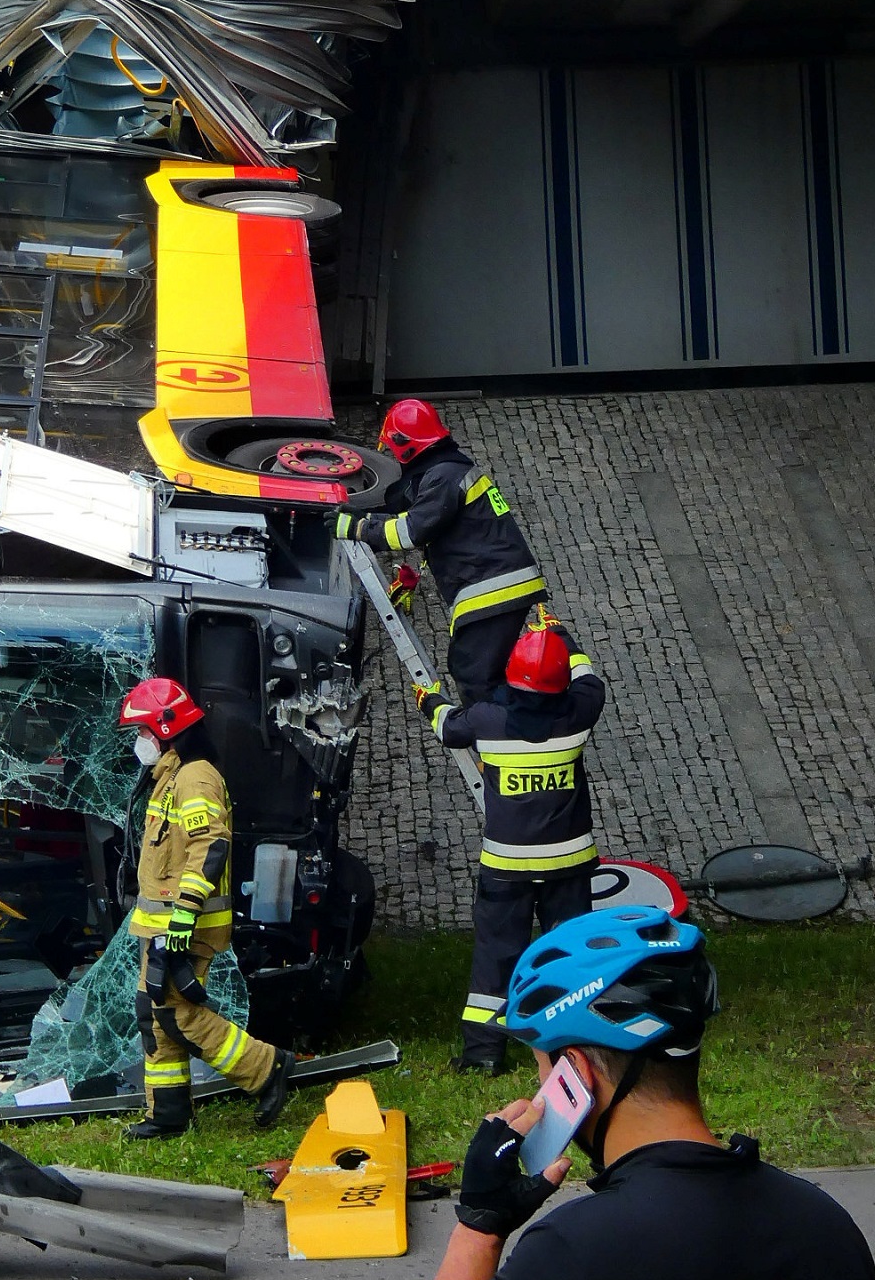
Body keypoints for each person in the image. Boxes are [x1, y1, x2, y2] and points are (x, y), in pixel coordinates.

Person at [403, 908, 875, 1280]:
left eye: (544, 1070)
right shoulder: (827, 1226)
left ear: (577, 1074)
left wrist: (479, 1230)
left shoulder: (578, 1252)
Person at [418, 607, 605, 1074]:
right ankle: (574, 1050)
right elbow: (589, 678)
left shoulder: (486, 721)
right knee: (569, 955)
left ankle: (483, 1055)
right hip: (569, 865)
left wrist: (428, 700)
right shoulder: (579, 715)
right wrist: (561, 634)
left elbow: (447, 728)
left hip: (507, 867)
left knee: (496, 956)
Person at [120, 675, 293, 1139]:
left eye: (142, 733)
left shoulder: (194, 777)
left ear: (165, 729)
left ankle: (266, 1067)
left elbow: (209, 847)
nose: (139, 743)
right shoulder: (171, 777)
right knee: (153, 1011)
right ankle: (168, 1115)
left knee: (177, 1014)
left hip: (185, 925)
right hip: (161, 925)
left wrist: (181, 918)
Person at [334, 399, 547, 706]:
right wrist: (365, 519)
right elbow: (415, 517)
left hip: (493, 589)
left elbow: (412, 531)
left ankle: (497, 737)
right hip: (501, 583)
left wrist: (358, 529)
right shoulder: (449, 470)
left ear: (406, 446)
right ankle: (508, 723)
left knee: (476, 675)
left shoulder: (443, 477)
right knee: (474, 668)